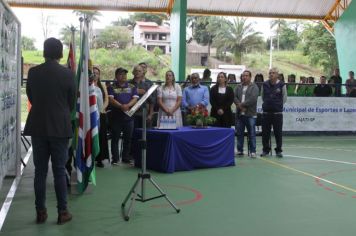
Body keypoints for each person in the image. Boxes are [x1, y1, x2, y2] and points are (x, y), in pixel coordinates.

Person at [24, 38, 75, 224]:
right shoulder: (68, 74)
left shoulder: (33, 72)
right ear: (61, 53)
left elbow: (31, 96)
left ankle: (41, 212)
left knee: (40, 171)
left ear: (44, 52)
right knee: (60, 170)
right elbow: (71, 103)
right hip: (60, 127)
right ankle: (62, 212)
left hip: (38, 126)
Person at [108, 68, 139, 165]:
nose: (124, 76)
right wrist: (121, 106)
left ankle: (126, 157)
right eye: (121, 74)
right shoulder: (111, 87)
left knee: (128, 138)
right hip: (116, 117)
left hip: (129, 117)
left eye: (125, 74)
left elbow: (135, 99)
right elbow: (111, 100)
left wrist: (128, 105)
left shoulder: (132, 86)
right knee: (115, 138)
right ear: (116, 76)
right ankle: (115, 159)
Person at [260, 67, 287, 158]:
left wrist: (277, 105)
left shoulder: (282, 85)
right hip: (266, 113)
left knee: (278, 133)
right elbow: (262, 97)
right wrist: (268, 104)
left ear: (277, 75)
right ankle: (265, 150)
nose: (271, 74)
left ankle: (278, 150)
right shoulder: (265, 84)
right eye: (270, 73)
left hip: (277, 114)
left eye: (273, 73)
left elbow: (284, 98)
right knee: (265, 133)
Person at [234, 70, 259, 158]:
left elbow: (253, 99)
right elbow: (234, 97)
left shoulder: (254, 87)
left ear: (250, 77)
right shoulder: (238, 86)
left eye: (246, 75)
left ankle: (253, 151)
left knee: (251, 133)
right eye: (243, 76)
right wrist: (239, 106)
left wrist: (242, 104)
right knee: (239, 133)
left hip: (250, 114)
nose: (244, 77)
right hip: (240, 114)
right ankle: (240, 150)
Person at [92, 66, 109, 168]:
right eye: (93, 73)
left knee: (101, 137)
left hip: (101, 114)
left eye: (97, 73)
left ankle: (100, 159)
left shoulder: (102, 85)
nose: (95, 75)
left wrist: (102, 108)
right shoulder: (86, 85)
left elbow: (106, 99)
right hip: (91, 115)